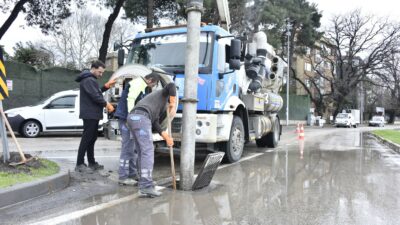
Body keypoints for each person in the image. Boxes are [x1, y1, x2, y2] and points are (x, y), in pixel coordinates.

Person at [127, 83, 176, 197]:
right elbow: (171, 85)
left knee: (142, 152)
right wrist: (172, 103)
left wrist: (166, 137)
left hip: (133, 118)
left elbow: (155, 123)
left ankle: (143, 180)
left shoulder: (158, 104)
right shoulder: (162, 94)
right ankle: (146, 185)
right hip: (141, 118)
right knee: (148, 151)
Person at [114, 73, 160, 186]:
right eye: (153, 84)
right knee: (127, 148)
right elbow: (131, 99)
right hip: (126, 119)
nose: (152, 87)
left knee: (133, 148)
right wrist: (130, 117)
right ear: (150, 80)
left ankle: (132, 174)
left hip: (129, 119)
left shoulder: (142, 85)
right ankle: (123, 177)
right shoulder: (138, 83)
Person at [75, 60, 116, 173]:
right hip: (90, 114)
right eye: (99, 72)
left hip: (92, 114)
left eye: (102, 72)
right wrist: (106, 104)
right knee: (86, 139)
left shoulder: (90, 79)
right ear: (93, 68)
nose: (101, 74)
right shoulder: (88, 80)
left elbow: (96, 92)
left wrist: (106, 86)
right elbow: (95, 96)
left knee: (92, 139)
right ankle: (79, 164)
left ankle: (91, 162)